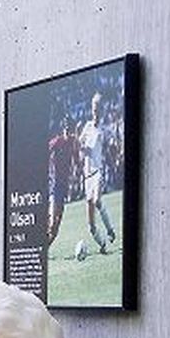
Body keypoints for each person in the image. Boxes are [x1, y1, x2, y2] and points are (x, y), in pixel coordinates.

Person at [78, 92, 117, 253]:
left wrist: (113, 163)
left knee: (97, 200)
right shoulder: (87, 126)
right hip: (87, 175)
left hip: (98, 171)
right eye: (94, 106)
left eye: (98, 106)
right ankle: (102, 245)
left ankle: (110, 230)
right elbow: (80, 147)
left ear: (103, 108)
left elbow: (108, 150)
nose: (96, 109)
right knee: (91, 225)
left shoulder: (104, 130)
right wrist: (80, 147)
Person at [46, 117, 78, 247]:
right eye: (66, 129)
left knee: (56, 227)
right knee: (52, 223)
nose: (68, 132)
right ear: (63, 129)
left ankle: (45, 248)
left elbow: (75, 161)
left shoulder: (72, 142)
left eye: (70, 129)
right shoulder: (56, 142)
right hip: (54, 185)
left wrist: (74, 177)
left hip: (63, 187)